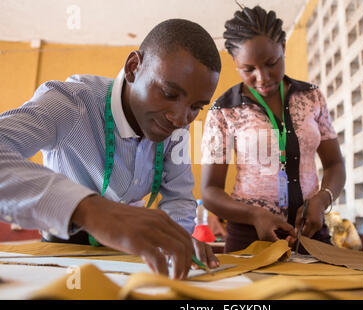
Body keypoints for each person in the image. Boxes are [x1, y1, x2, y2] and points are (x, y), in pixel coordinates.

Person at [0, 19, 221, 279]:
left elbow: (179, 197)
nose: (181, 118)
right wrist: (89, 210)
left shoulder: (177, 130)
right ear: (133, 68)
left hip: (131, 255)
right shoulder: (69, 103)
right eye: (169, 94)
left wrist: (174, 239)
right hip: (63, 250)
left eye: (196, 106)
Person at [201, 6, 346, 253]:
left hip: (310, 230)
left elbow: (335, 165)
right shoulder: (224, 110)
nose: (263, 77)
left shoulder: (311, 97)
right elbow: (210, 191)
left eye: (272, 63)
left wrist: (321, 201)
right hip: (250, 236)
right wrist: (254, 215)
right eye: (249, 69)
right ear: (235, 62)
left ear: (284, 49)